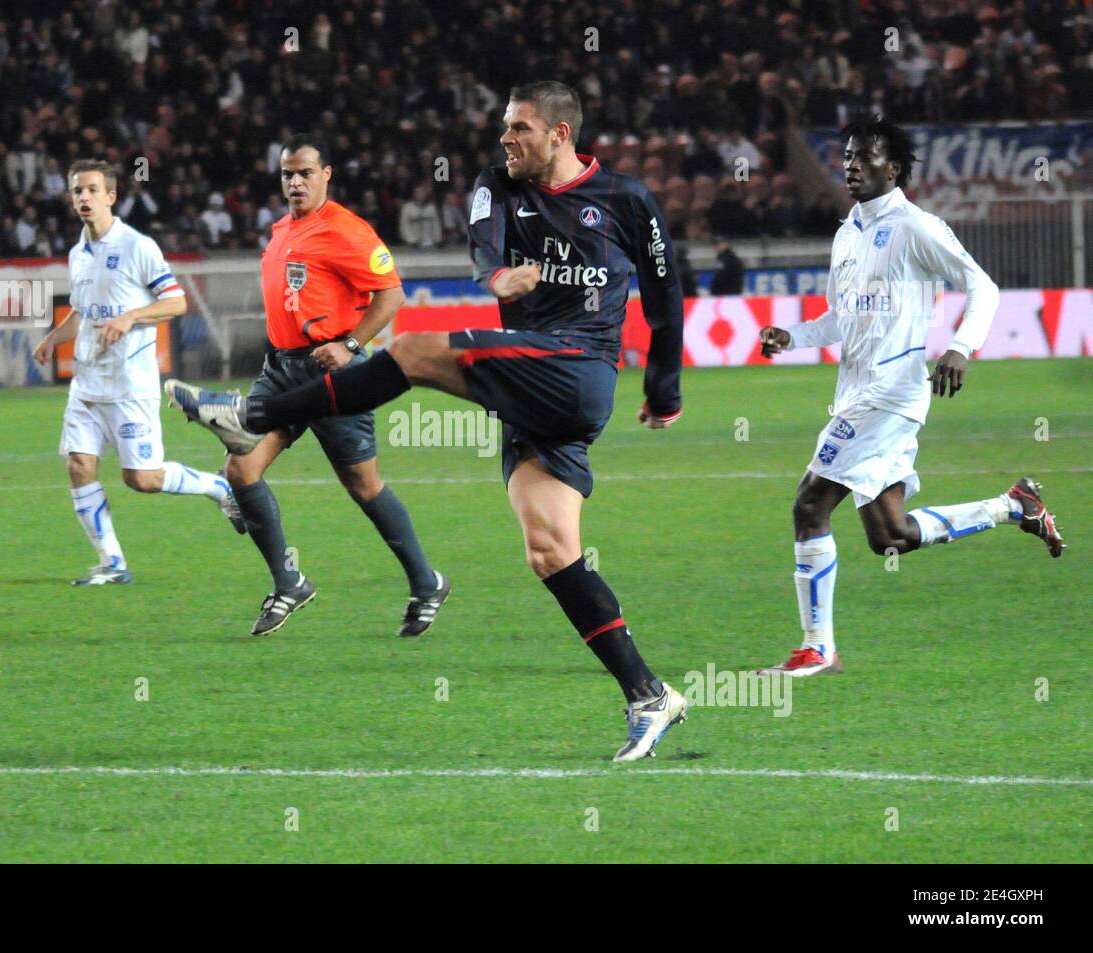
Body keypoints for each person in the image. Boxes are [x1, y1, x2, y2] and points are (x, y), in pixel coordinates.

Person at [167, 83, 689, 761]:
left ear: (560, 133)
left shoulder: (624, 198)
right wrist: (495, 275)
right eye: (505, 126)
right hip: (528, 384)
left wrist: (664, 387)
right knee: (550, 550)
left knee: (412, 349)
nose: (506, 138)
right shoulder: (498, 184)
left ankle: (250, 413)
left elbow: (664, 289)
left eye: (521, 128)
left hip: (578, 367)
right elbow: (484, 242)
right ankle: (649, 694)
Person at [756, 115, 1064, 677]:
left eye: (863, 156)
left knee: (809, 504)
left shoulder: (916, 226)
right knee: (890, 537)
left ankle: (817, 649)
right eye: (846, 156)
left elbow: (983, 286)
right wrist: (793, 335)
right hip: (857, 393)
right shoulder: (848, 229)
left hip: (890, 394)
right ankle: (1012, 505)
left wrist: (961, 347)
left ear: (892, 168)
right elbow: (841, 319)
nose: (849, 165)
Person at [165, 134, 447, 638]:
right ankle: (288, 581)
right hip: (282, 369)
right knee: (241, 469)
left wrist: (352, 346)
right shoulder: (281, 231)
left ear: (326, 175)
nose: (295, 182)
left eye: (305, 173)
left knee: (363, 485)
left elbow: (392, 294)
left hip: (334, 372)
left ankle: (427, 584)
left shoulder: (347, 230)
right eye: (287, 175)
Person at [32, 159, 243, 586]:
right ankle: (112, 563)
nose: (84, 198)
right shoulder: (78, 252)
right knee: (78, 465)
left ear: (111, 196)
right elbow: (81, 310)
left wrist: (131, 317)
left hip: (131, 386)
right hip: (88, 384)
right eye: (78, 191)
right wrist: (53, 338)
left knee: (142, 479)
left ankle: (220, 488)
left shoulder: (137, 246)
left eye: (92, 190)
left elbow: (176, 301)